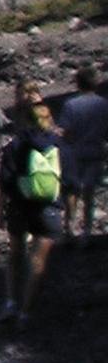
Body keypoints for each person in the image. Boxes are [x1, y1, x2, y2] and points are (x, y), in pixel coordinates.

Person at [0, 99, 65, 324]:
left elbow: (5, 180)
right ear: (49, 120)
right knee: (38, 260)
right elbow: (69, 178)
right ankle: (26, 312)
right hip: (49, 208)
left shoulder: (15, 145)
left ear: (25, 121)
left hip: (19, 206)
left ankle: (10, 303)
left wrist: (1, 209)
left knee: (16, 254)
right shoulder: (59, 145)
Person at [60, 65, 106, 246]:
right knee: (90, 193)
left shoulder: (70, 105)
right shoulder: (104, 105)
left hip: (74, 153)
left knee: (72, 191)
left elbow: (66, 131)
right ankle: (87, 230)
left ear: (77, 83)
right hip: (95, 152)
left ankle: (69, 227)